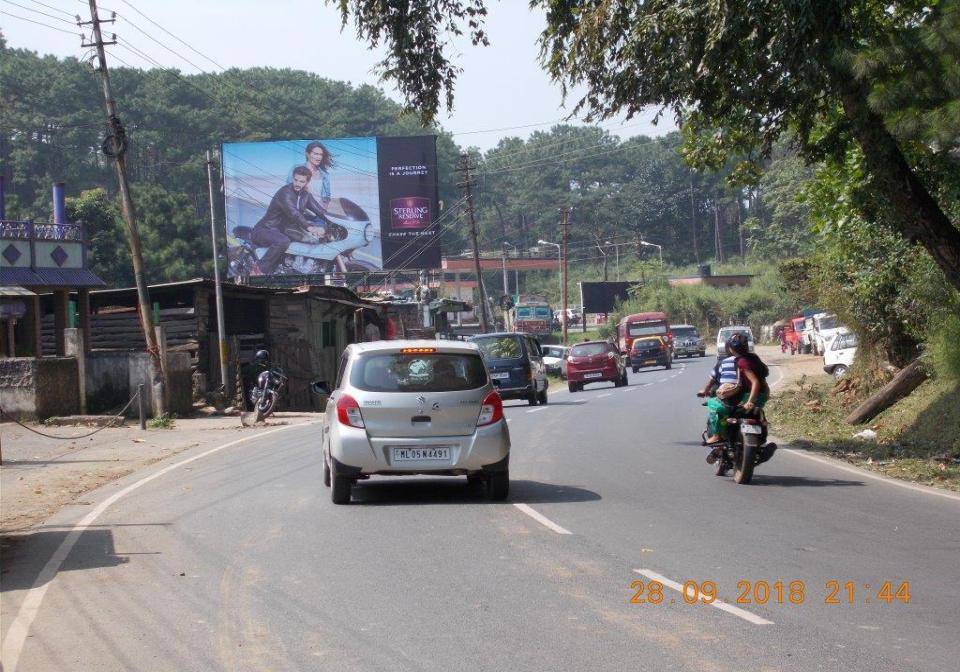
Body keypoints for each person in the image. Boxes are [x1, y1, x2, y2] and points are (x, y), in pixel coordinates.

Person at [698, 332, 770, 449]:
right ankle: (763, 428)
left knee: (716, 406)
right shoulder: (754, 357)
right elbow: (764, 373)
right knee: (757, 411)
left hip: (748, 396)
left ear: (730, 348)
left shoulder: (739, 361)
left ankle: (716, 435)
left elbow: (754, 382)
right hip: (763, 395)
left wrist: (749, 401)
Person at [251, 167, 327, 274]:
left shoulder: (305, 195)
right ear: (293, 178)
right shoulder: (285, 193)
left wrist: (333, 221)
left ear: (307, 182)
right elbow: (294, 213)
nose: (298, 183)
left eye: (302, 181)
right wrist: (310, 227)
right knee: (282, 241)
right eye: (296, 180)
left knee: (311, 241)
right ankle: (258, 270)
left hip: (282, 230)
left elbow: (320, 211)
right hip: (265, 229)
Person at [289, 141, 332, 206]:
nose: (319, 157)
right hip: (300, 212)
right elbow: (288, 190)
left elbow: (327, 197)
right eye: (316, 154)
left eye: (321, 155)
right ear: (307, 154)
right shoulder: (297, 168)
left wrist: (323, 210)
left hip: (318, 212)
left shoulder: (324, 174)